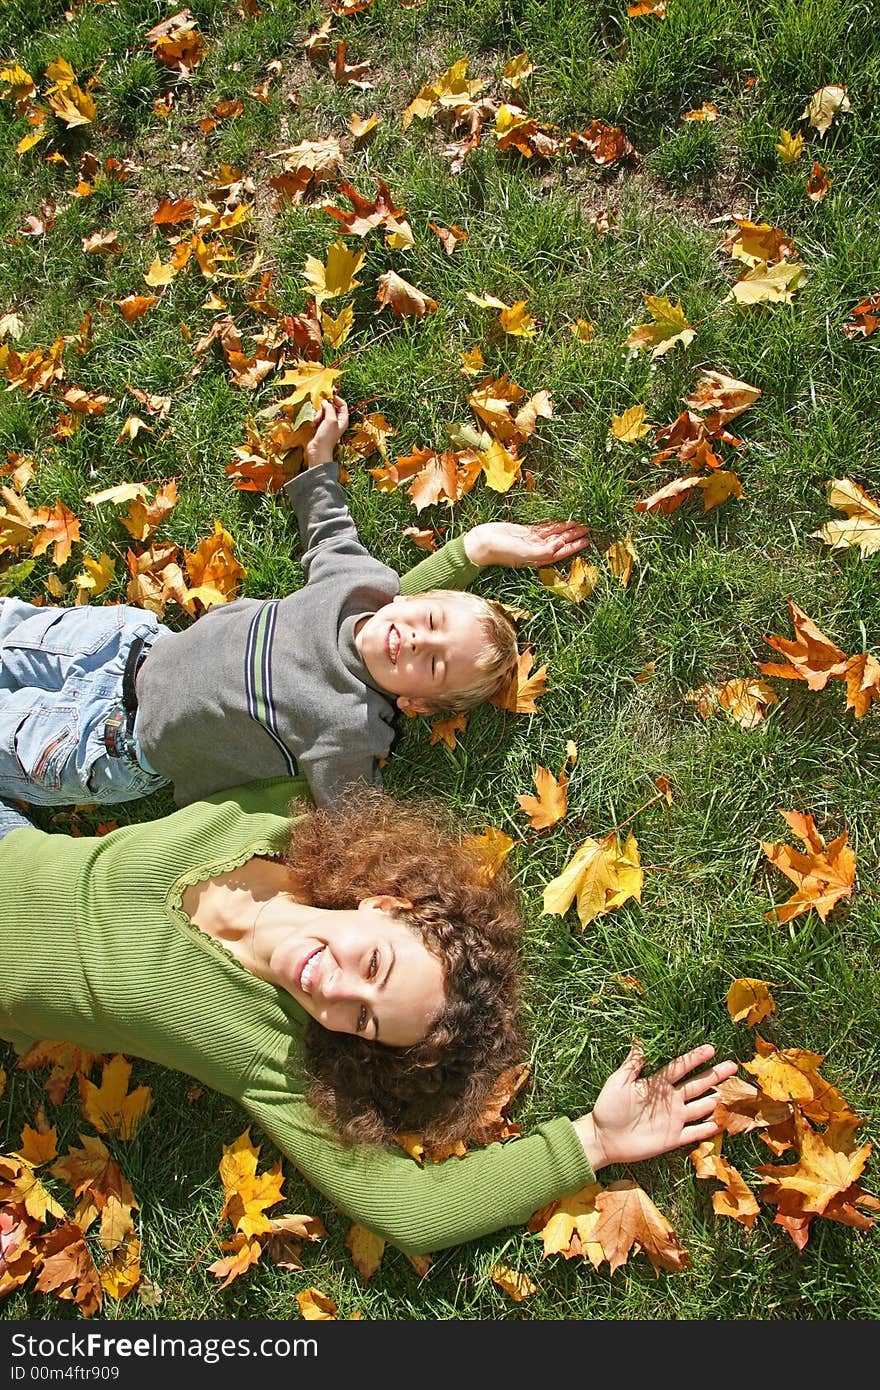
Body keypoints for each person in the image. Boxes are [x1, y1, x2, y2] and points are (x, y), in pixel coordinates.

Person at [0, 778, 737, 1256]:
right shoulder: (286, 831)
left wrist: (593, 1140)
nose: (336, 993)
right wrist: (466, 557)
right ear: (383, 906)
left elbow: (413, 1212)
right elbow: (347, 646)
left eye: (362, 1021)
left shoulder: (273, 1057)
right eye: (375, 965)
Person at [0, 395, 591, 811]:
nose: (416, 639)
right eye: (431, 622)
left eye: (433, 663)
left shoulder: (351, 726)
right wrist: (322, 461)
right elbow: (329, 527)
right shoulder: (360, 586)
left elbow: (357, 821)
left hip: (108, 741)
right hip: (123, 643)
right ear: (416, 598)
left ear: (413, 702)